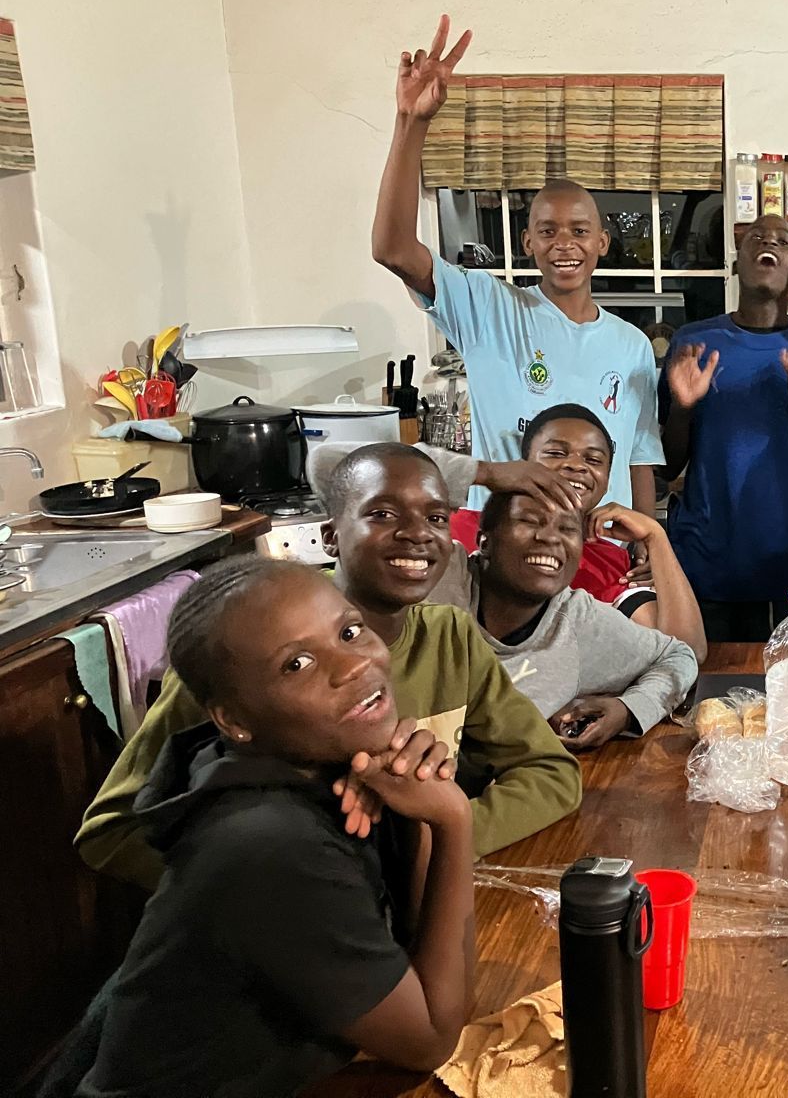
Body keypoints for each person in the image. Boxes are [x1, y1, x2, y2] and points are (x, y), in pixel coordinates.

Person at [44, 558, 476, 1095]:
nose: (351, 666)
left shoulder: (307, 764)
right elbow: (430, 1040)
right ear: (233, 720)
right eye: (296, 664)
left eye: (348, 631)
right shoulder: (268, 842)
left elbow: (409, 954)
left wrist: (418, 810)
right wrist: (453, 817)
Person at [77, 443, 582, 890]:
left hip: (399, 917)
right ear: (331, 535)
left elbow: (551, 771)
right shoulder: (248, 654)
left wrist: (440, 840)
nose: (417, 535)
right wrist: (251, 890)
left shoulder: (450, 638)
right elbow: (110, 831)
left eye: (435, 518)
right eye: (383, 514)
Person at [372, 15, 662, 523]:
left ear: (602, 242)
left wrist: (642, 538)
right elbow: (393, 248)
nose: (564, 245)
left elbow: (639, 460)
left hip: (598, 554)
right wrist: (411, 122)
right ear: (528, 243)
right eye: (548, 231)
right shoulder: (488, 307)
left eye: (578, 230)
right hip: (506, 547)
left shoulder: (631, 346)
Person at [311, 405, 708, 660]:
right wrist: (487, 473)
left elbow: (684, 651)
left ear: (607, 478)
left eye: (594, 459)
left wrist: (654, 537)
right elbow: (328, 463)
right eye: (555, 453)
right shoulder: (452, 526)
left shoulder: (609, 558)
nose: (575, 466)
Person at [658, 213, 788, 642]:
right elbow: (667, 464)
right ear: (738, 260)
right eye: (756, 236)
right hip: (704, 561)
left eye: (783, 240)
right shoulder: (694, 343)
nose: (767, 243)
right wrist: (682, 407)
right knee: (704, 697)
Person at [468, 490, 699, 751]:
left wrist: (628, 710)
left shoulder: (576, 617)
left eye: (568, 529)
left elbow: (678, 655)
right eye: (529, 521)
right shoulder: (446, 584)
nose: (551, 538)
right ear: (484, 542)